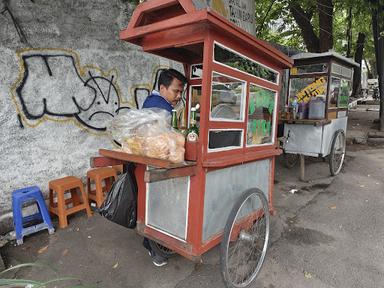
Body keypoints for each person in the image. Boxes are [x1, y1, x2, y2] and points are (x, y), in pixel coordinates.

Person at [142, 68, 187, 267]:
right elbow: (162, 140)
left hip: (148, 160)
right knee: (157, 205)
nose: (178, 96)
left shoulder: (153, 102)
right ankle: (154, 247)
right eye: (176, 91)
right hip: (154, 162)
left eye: (180, 92)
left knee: (152, 204)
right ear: (162, 88)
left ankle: (152, 242)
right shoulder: (160, 107)